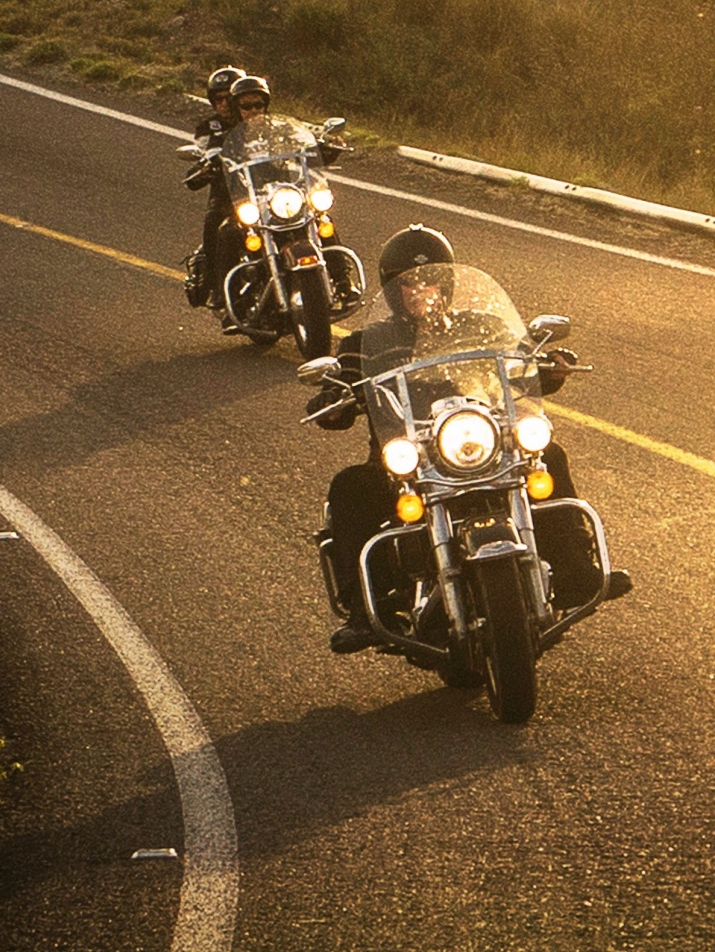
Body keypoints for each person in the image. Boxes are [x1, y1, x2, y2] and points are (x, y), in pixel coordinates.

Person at [308, 224, 630, 652]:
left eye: (431, 281)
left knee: (548, 454)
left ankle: (576, 571)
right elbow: (343, 383)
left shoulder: (483, 326)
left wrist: (548, 364)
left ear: (448, 283)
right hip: (410, 459)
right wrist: (334, 397)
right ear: (392, 291)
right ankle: (366, 609)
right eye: (409, 284)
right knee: (350, 487)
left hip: (485, 444)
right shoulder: (366, 342)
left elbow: (522, 360)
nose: (421, 291)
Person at [184, 67, 348, 321]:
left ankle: (343, 281)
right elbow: (209, 151)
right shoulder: (216, 130)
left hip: (278, 193)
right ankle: (223, 294)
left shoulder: (277, 128)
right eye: (245, 105)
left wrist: (327, 148)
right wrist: (209, 165)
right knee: (222, 229)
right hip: (234, 195)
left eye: (257, 105)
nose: (252, 110)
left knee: (320, 217)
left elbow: (305, 144)